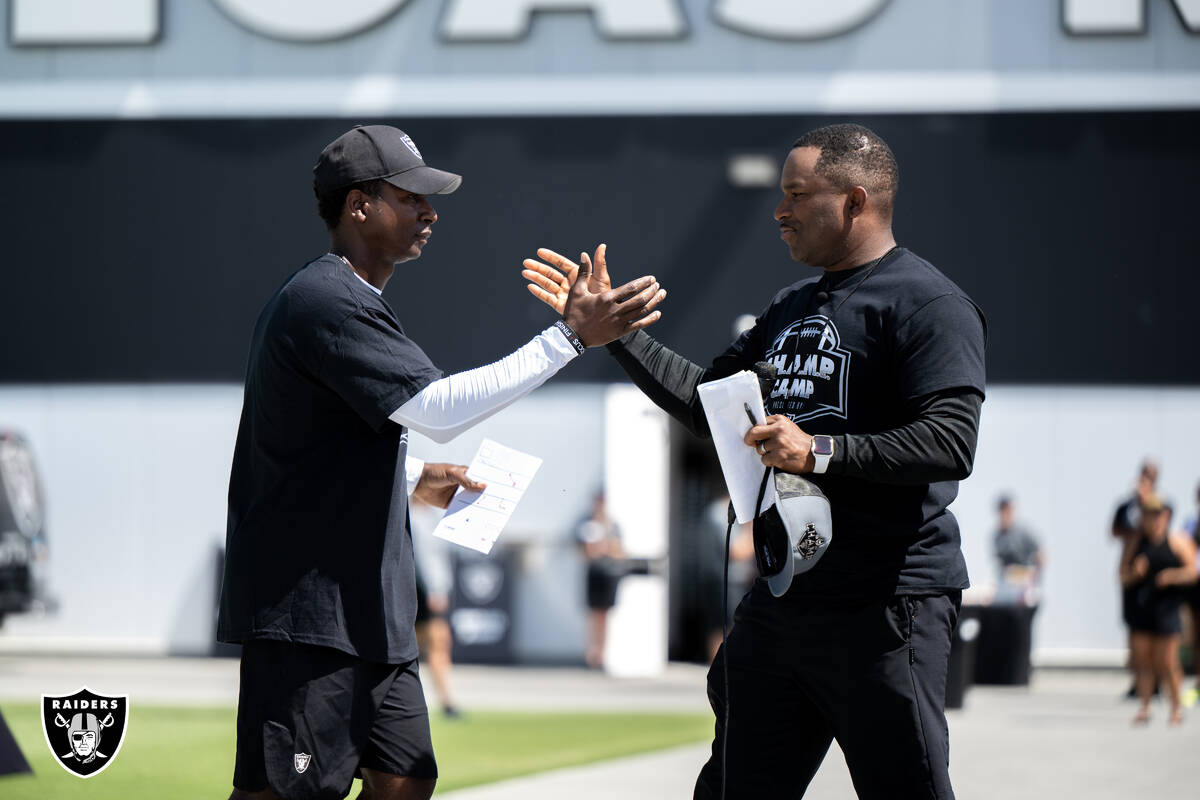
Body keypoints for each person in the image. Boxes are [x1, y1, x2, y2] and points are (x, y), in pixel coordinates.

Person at [523, 123, 985, 799]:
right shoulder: (789, 309)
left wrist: (819, 450)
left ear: (855, 201)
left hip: (886, 607)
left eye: (798, 194)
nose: (781, 211)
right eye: (781, 194)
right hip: (783, 604)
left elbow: (950, 442)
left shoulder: (928, 304)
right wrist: (617, 336)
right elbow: (709, 404)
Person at [217, 124, 665, 800]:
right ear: (359, 206)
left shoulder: (349, 300)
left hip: (369, 615)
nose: (430, 211)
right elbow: (439, 410)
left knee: (406, 778)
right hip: (310, 616)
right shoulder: (326, 300)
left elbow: (314, 444)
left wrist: (412, 479)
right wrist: (569, 337)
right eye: (411, 197)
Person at [1118, 494, 1198, 726]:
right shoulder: (1135, 543)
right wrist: (1135, 573)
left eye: (1156, 515)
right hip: (1143, 608)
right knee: (1143, 660)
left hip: (1168, 609)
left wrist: (1171, 577)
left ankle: (1176, 708)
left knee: (1168, 661)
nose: (1151, 520)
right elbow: (1122, 576)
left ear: (1165, 517)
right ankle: (1145, 705)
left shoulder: (1177, 542)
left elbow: (1193, 572)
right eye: (1147, 515)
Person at [1111, 459, 1161, 698]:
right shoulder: (1127, 506)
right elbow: (1114, 530)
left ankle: (1156, 682)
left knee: (1155, 631)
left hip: (1153, 575)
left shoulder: (1158, 506)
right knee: (1134, 630)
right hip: (1132, 573)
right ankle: (1138, 680)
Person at [409, 498, 461, 718]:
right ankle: (446, 701)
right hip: (423, 591)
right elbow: (423, 559)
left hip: (426, 590)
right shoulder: (416, 518)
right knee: (437, 645)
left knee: (432, 646)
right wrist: (435, 591)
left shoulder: (428, 517)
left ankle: (445, 700)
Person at [992, 494, 1044, 603]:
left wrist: (1035, 579)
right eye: (1002, 510)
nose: (1004, 514)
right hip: (1005, 586)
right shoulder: (997, 536)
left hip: (1024, 586)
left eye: (1007, 510)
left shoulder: (1023, 532)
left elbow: (1041, 554)